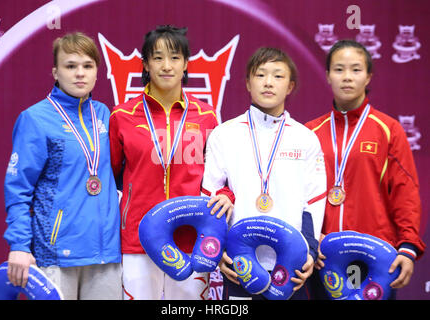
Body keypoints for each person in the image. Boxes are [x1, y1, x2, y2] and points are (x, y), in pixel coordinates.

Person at [109, 25, 233, 300]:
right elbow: (110, 178)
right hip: (137, 242)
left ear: (186, 63)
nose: (167, 66)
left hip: (191, 241)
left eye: (175, 57)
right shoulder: (122, 116)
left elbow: (221, 178)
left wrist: (225, 195)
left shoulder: (207, 117)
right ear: (145, 64)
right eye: (158, 57)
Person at [201, 47, 327, 300]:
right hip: (239, 265)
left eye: (278, 76)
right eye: (260, 75)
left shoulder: (305, 139)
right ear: (248, 82)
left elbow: (312, 203)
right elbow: (210, 196)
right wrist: (219, 251)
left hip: (291, 267)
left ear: (290, 86)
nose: (268, 82)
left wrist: (309, 253)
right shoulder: (224, 134)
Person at [4, 32, 122, 300]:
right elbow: (18, 190)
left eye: (87, 66)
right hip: (56, 253)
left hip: (105, 256)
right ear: (56, 72)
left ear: (97, 73)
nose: (79, 73)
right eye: (70, 66)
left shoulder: (105, 114)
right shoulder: (35, 119)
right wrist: (20, 245)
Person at [305, 39, 426, 299]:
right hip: (323, 259)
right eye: (338, 69)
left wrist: (407, 247)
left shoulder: (388, 130)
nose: (347, 77)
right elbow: (296, 196)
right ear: (327, 75)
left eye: (356, 69)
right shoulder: (309, 133)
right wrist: (310, 238)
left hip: (375, 257)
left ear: (369, 76)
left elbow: (405, 195)